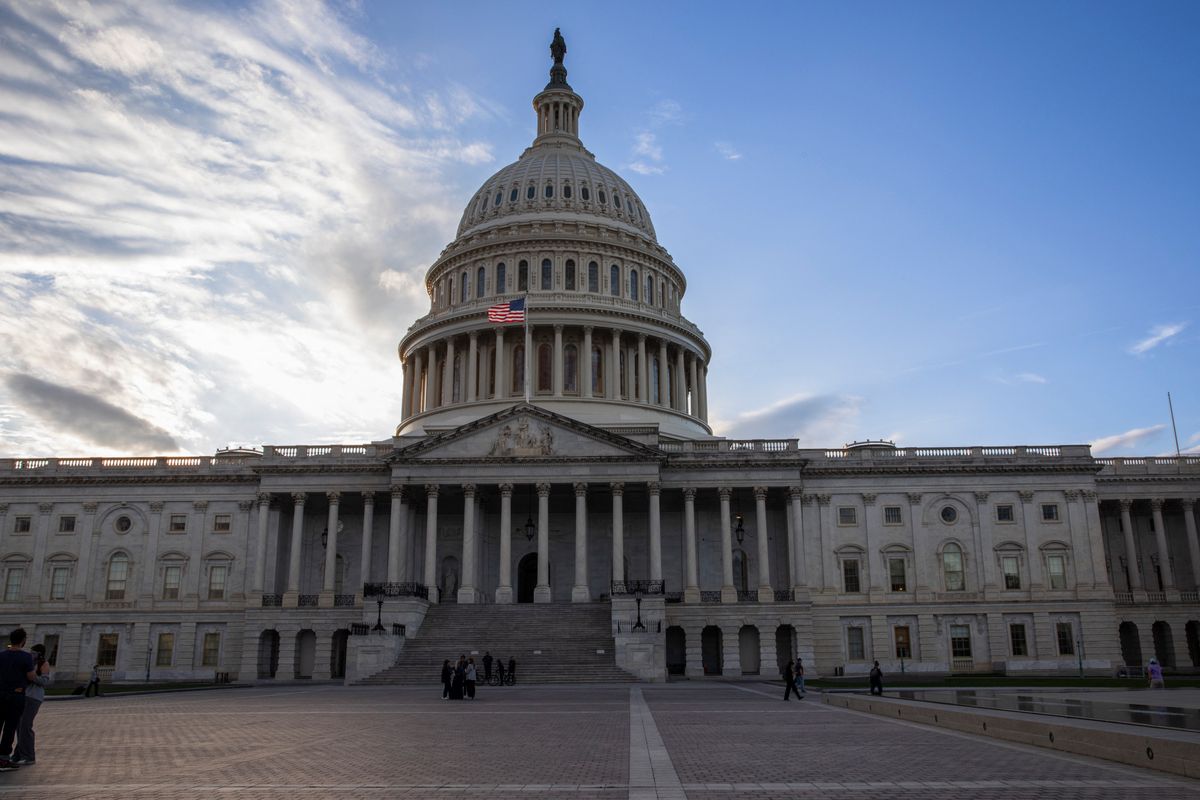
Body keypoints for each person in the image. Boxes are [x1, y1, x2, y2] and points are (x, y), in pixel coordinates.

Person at [0, 628, 37, 771]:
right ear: (23, 640)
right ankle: (3, 758)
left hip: (0, 694)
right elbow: (31, 677)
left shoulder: (1, 655)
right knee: (10, 728)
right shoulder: (26, 657)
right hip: (16, 696)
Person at [13, 643, 50, 765]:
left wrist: (33, 677)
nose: (31, 655)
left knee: (25, 726)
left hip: (34, 697)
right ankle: (18, 754)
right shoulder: (28, 664)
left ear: (39, 654)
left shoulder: (43, 664)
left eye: (34, 653)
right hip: (23, 695)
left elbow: (45, 681)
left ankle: (29, 756)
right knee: (19, 726)